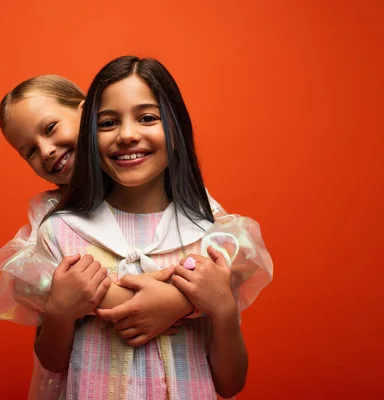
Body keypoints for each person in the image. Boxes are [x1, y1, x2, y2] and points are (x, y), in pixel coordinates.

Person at [30, 56, 272, 399]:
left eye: (147, 118)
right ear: (89, 137)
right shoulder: (61, 232)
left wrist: (222, 308)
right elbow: (52, 363)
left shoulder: (212, 239)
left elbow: (231, 383)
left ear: (176, 130)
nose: (127, 135)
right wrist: (59, 311)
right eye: (108, 122)